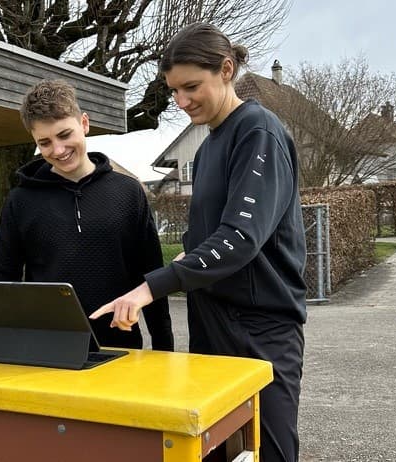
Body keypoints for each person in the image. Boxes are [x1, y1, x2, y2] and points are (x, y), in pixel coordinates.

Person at [91, 23, 306, 462]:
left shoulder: (257, 131)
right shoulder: (207, 149)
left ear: (226, 70)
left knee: (270, 454)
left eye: (192, 86)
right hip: (211, 322)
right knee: (213, 452)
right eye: (174, 91)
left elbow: (241, 238)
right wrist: (187, 256)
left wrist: (151, 286)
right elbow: (206, 240)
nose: (182, 101)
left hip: (261, 329)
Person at [0, 79, 174, 352]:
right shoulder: (20, 201)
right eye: (45, 142)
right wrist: (10, 347)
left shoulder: (128, 192)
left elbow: (151, 275)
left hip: (119, 349)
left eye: (65, 135)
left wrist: (164, 348)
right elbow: (2, 281)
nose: (58, 150)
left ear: (84, 124)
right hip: (46, 352)